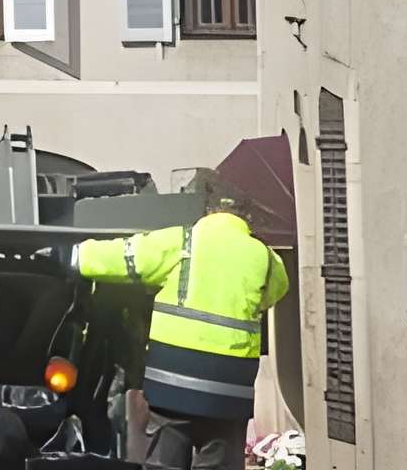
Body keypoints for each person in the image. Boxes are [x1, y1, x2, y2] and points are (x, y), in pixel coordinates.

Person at [69, 185, 289, 470]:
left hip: (172, 384)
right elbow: (275, 291)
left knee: (165, 458)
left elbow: (124, 257)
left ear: (208, 211)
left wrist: (70, 255)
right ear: (245, 218)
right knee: (220, 456)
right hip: (230, 391)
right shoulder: (266, 258)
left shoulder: (183, 240)